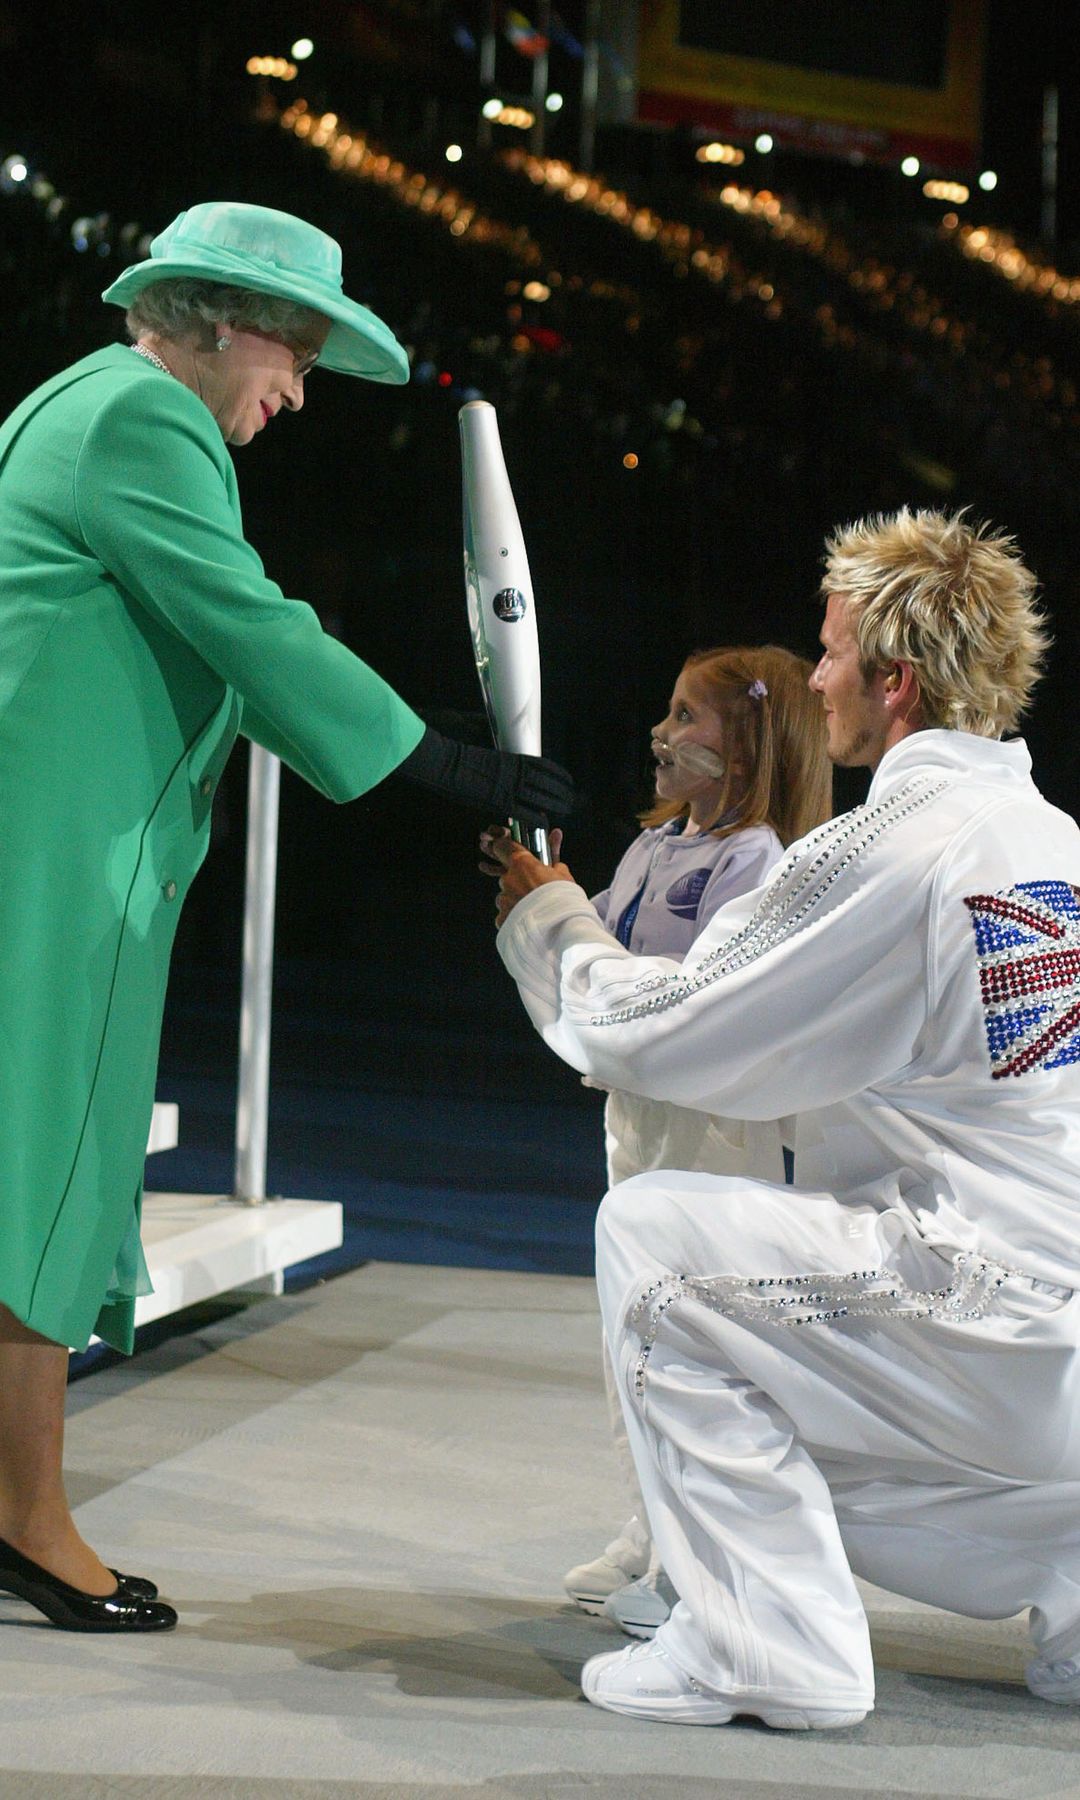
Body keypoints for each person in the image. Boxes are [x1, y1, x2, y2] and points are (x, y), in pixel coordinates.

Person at [0, 200, 573, 1634]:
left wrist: (424, 746)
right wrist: (451, 768)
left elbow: (221, 639)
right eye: (296, 351)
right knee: (44, 1176)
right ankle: (23, 1514)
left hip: (46, 838)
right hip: (51, 861)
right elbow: (249, 626)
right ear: (212, 318)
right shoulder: (147, 421)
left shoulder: (86, 401)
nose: (300, 390)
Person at [488, 507, 1080, 1731]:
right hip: (1055, 1355)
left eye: (830, 651)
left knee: (655, 1238)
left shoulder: (898, 844)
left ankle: (767, 1644)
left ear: (894, 678)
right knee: (812, 1317)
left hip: (989, 1328)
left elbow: (673, 1036)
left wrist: (552, 923)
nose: (815, 679)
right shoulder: (1052, 839)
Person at [535, 645, 830, 1638]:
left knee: (683, 1330)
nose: (662, 735)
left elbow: (697, 993)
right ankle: (647, 1525)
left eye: (686, 718)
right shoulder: (651, 847)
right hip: (635, 1114)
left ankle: (691, 1557)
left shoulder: (753, 860)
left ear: (744, 745)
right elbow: (601, 962)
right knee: (629, 1329)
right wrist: (548, 894)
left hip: (706, 1128)